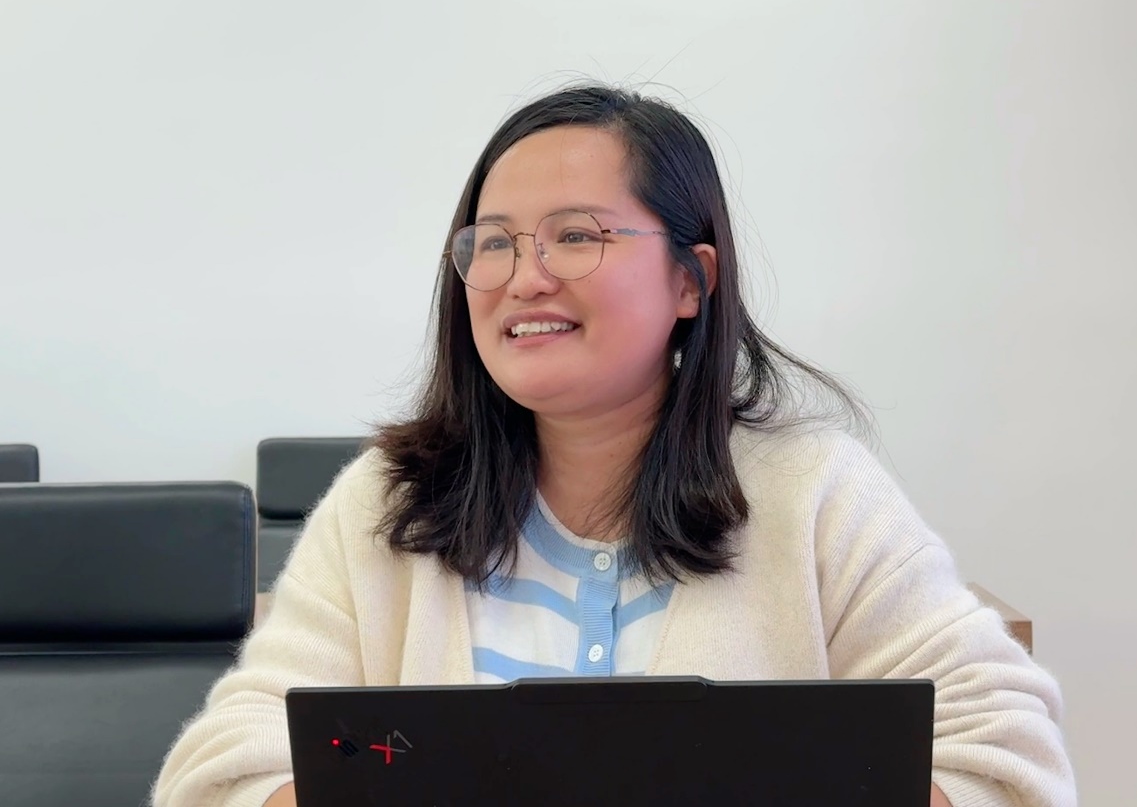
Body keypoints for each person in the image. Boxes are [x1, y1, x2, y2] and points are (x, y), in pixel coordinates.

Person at [153, 84, 1076, 807]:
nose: (523, 278)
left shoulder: (813, 491)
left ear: (690, 280)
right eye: (493, 243)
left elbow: (1004, 749)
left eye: (574, 236)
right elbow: (224, 764)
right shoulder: (385, 502)